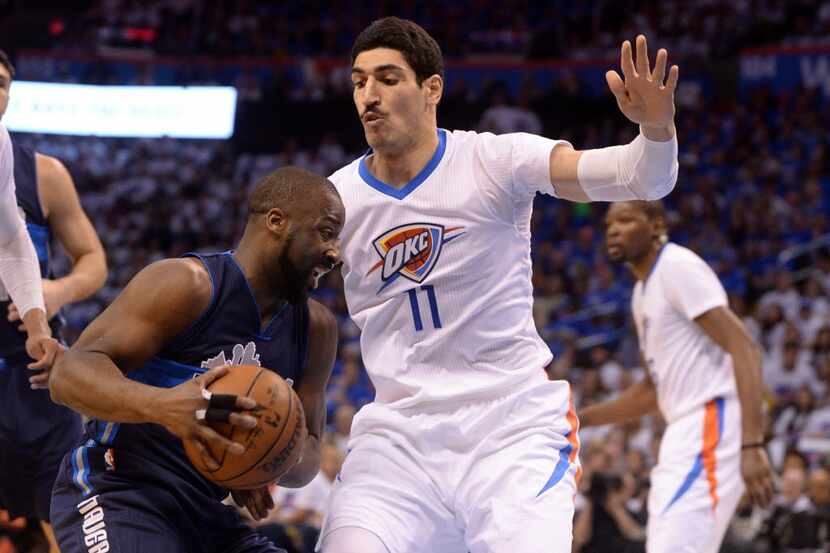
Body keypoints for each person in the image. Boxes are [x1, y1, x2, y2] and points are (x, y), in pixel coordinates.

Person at [320, 16, 680, 553]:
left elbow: (641, 178)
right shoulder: (334, 200)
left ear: (431, 89)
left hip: (509, 431)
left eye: (388, 78)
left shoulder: (497, 159)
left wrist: (655, 130)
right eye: (359, 81)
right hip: (398, 439)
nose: (369, 94)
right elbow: (266, 292)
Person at [47, 167, 344, 553]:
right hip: (119, 489)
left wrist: (269, 454)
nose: (335, 253)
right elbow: (67, 376)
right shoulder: (189, 285)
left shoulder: (317, 329)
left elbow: (311, 451)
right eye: (325, 232)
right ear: (276, 221)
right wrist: (164, 406)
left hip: (205, 513)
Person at [578, 200, 775, 553]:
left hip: (711, 419)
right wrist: (582, 419)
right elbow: (654, 391)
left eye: (625, 219)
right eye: (609, 223)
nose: (613, 229)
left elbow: (745, 349)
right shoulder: (642, 294)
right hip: (684, 428)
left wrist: (752, 443)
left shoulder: (677, 267)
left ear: (655, 226)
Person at [0, 48, 108, 553]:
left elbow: (93, 260)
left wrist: (53, 294)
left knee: (66, 525)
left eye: (1, 81)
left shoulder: (40, 173)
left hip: (34, 373)